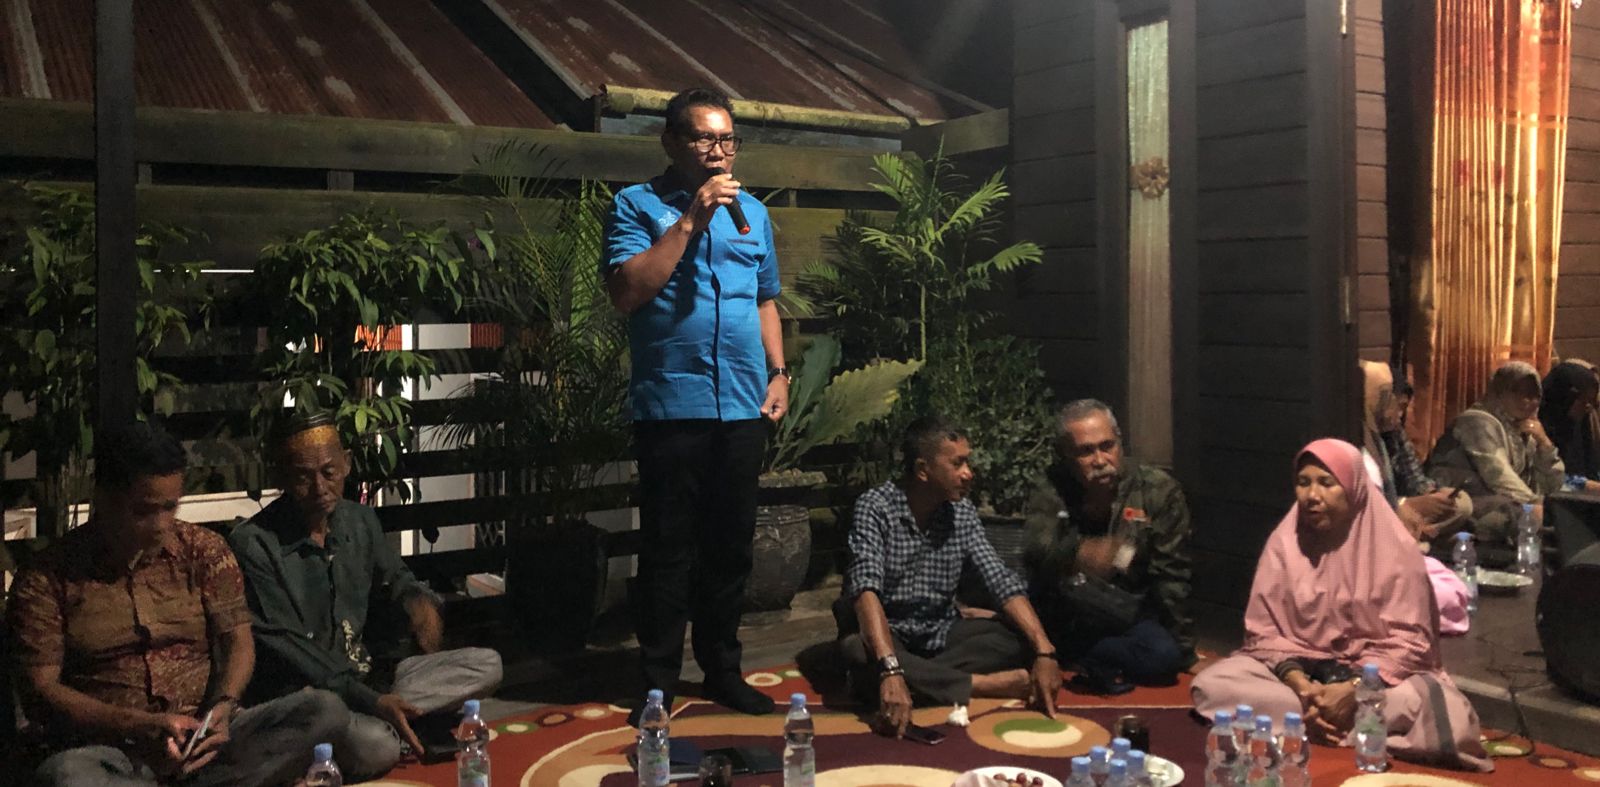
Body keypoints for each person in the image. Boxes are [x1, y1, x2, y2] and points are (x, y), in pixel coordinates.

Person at [8, 421, 350, 787]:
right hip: (111, 750)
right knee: (67, 776)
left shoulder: (203, 551)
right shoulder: (49, 576)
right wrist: (137, 724)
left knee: (324, 711)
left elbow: (238, 641)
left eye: (170, 507)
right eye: (143, 511)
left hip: (203, 740)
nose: (160, 524)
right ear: (105, 498)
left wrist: (223, 707)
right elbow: (42, 689)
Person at [601, 87, 787, 721]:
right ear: (672, 142)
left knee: (730, 548)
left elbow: (764, 298)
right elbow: (627, 292)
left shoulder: (753, 213)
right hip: (672, 405)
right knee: (668, 550)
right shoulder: (636, 205)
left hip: (741, 403)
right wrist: (690, 221)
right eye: (706, 138)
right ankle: (656, 684)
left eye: (728, 139)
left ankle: (723, 671)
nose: (719, 151)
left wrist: (779, 373)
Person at [228, 413, 503, 779]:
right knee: (378, 747)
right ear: (281, 477)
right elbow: (290, 647)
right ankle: (382, 722)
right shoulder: (254, 544)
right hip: (308, 695)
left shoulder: (360, 521)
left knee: (487, 664)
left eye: (329, 472)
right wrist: (369, 700)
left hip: (369, 678)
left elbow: (398, 577)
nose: (319, 487)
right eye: (303, 476)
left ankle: (386, 717)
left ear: (346, 464)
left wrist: (419, 603)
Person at [1191, 438, 1491, 772]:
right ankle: (1334, 720)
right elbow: (1264, 632)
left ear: (1354, 489)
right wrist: (1302, 686)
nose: (1312, 495)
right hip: (1299, 673)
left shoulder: (1396, 551)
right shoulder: (1285, 544)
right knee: (1215, 683)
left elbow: (1411, 644)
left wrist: (1353, 690)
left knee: (1442, 710)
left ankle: (1305, 721)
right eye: (1303, 482)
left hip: (1375, 681)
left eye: (1326, 483)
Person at [837, 417, 1062, 738]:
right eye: (958, 464)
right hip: (887, 634)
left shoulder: (962, 512)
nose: (969, 473)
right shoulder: (875, 507)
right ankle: (978, 685)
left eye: (967, 462)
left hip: (938, 632)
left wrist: (1044, 650)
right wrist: (890, 666)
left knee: (1015, 639)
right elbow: (865, 588)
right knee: (858, 652)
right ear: (923, 470)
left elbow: (999, 578)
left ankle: (916, 681)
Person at [1020, 400, 1193, 694]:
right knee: (1007, 642)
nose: (1100, 460)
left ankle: (1081, 658)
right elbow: (1034, 548)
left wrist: (1185, 650)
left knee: (1165, 657)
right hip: (1063, 610)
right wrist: (1080, 552)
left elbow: (1172, 574)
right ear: (1066, 456)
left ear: (1119, 443)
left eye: (1107, 446)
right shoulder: (1050, 486)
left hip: (1123, 612)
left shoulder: (1157, 490)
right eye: (1086, 452)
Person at [1427, 361, 1566, 551]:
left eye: (1533, 395)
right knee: (1537, 519)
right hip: (1458, 501)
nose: (1527, 400)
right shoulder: (1477, 421)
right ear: (1499, 392)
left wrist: (1545, 444)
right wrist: (1536, 505)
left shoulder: (1525, 429)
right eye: (1517, 392)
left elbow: (1553, 485)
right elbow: (1498, 475)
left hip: (1499, 500)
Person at [1361, 362, 1470, 542]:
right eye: (1393, 403)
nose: (1400, 414)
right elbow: (1366, 496)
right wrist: (1403, 504)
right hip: (1379, 510)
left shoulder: (1395, 433)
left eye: (1404, 408)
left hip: (1404, 503)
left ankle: (1418, 531)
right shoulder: (1359, 433)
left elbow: (1414, 479)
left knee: (1461, 503)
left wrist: (1434, 494)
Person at [1539, 360, 1600, 481]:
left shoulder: (1580, 422)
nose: (1588, 406)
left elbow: (1590, 469)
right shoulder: (1537, 428)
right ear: (1565, 397)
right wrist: (1586, 485)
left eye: (1591, 401)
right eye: (1582, 400)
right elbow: (1547, 477)